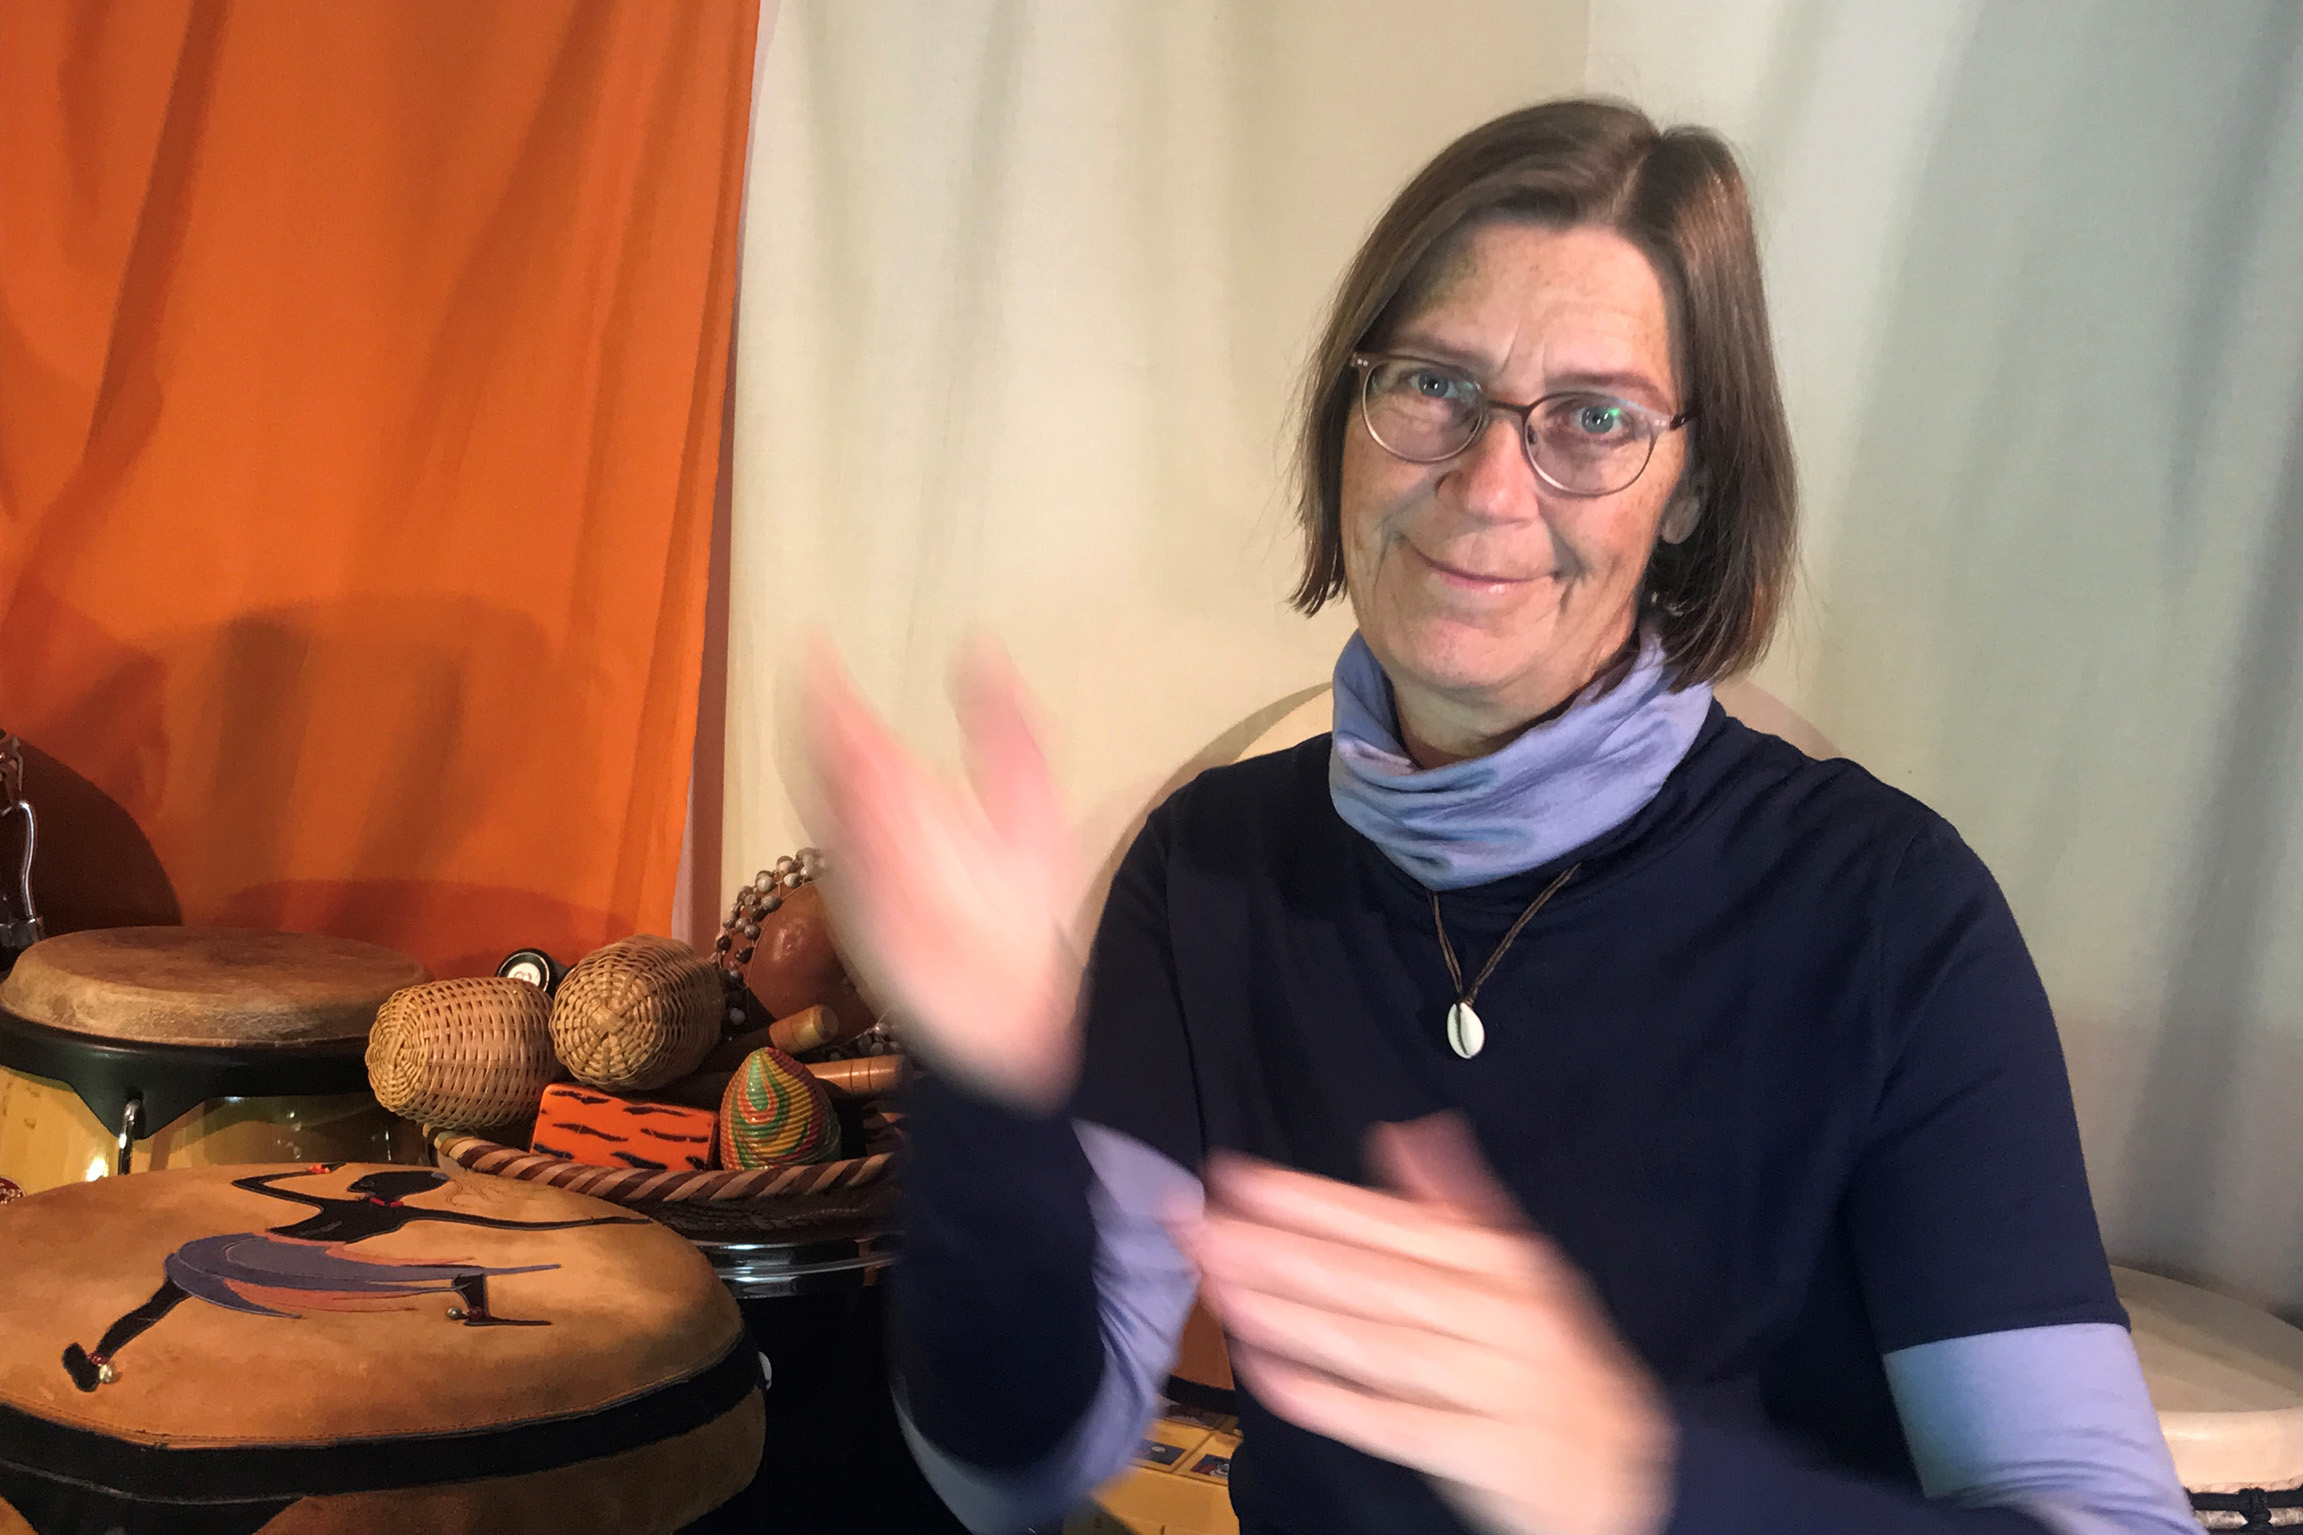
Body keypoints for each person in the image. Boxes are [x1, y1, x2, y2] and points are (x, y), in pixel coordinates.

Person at [803, 99, 2199, 1535]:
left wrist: (1639, 1485)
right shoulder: (1210, 866)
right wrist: (993, 1093)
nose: (1484, 487)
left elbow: (2106, 1518)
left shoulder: (1895, 914)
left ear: (1692, 488)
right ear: (1347, 421)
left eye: (1594, 418)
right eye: (1434, 386)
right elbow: (1023, 1467)